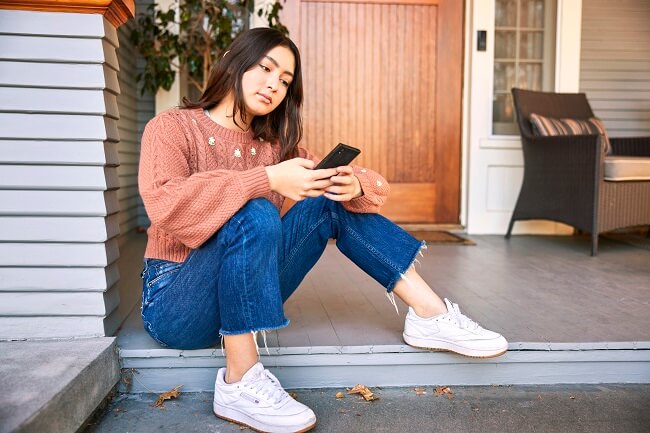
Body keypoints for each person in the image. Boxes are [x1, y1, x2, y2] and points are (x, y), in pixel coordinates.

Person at [138, 27, 507, 433]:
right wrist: (266, 179)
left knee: (326, 196)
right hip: (176, 302)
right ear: (234, 62)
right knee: (257, 211)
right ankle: (240, 383)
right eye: (266, 68)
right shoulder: (171, 127)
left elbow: (371, 187)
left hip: (242, 288)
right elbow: (166, 206)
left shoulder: (275, 144)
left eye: (285, 81)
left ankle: (429, 315)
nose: (273, 85)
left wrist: (355, 184)